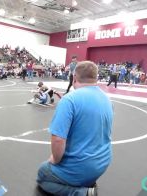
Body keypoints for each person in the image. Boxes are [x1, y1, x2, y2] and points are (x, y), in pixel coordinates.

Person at [37, 61, 113, 196]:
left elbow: (58, 140)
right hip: (102, 164)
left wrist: (55, 159)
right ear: (96, 78)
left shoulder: (69, 100)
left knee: (42, 173)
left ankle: (81, 193)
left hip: (80, 168)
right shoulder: (107, 100)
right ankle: (85, 182)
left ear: (74, 78)